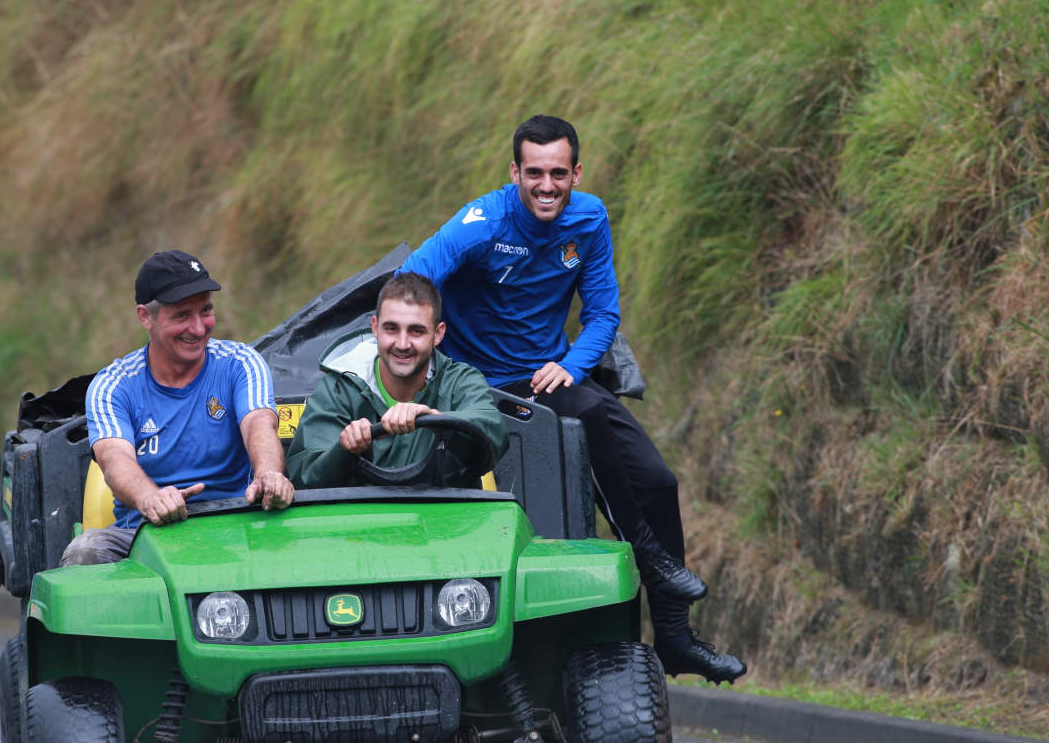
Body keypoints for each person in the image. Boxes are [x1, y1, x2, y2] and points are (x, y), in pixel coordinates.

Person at [398, 115, 745, 683]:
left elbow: (604, 313)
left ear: (576, 173)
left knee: (659, 480)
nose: (546, 186)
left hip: (554, 375)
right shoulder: (481, 224)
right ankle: (651, 561)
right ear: (515, 172)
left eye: (558, 173)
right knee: (585, 420)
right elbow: (412, 282)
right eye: (534, 173)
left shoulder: (589, 218)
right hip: (484, 386)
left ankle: (677, 642)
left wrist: (572, 365)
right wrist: (434, 367)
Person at [60, 250, 294, 565]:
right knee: (84, 551)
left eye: (206, 310)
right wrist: (151, 499)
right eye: (182, 315)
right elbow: (114, 460)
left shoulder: (241, 363)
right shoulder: (113, 385)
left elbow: (259, 424)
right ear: (146, 316)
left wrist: (269, 475)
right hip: (144, 533)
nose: (198, 329)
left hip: (235, 524)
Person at [287, 273, 508, 489]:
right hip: (361, 522)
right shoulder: (338, 388)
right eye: (391, 329)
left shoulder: (461, 380)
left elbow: (494, 432)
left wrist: (437, 419)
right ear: (375, 328)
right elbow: (303, 477)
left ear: (438, 334)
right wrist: (345, 449)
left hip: (450, 522)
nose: (402, 344)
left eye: (416, 331)